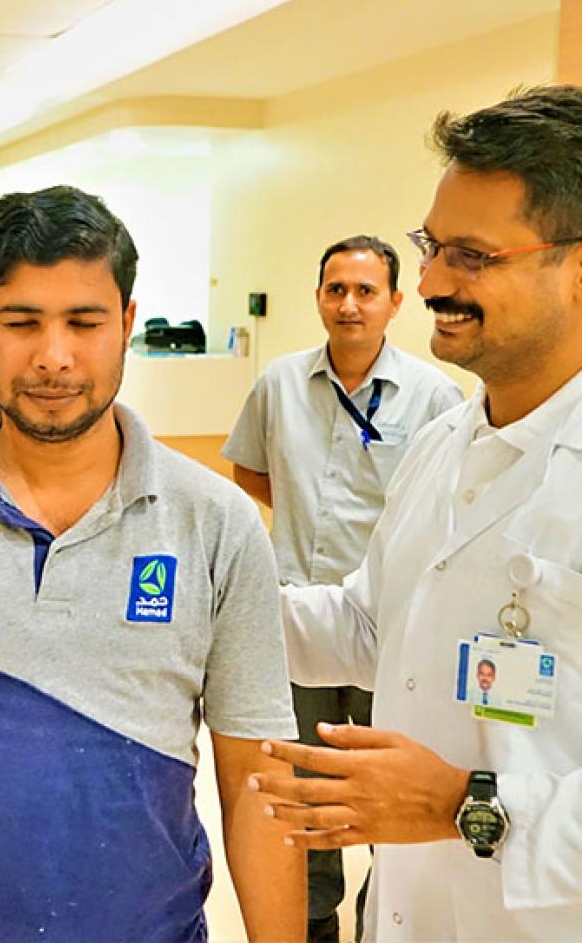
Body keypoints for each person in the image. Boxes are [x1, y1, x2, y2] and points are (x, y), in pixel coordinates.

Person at [0, 185, 306, 942]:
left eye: (84, 322)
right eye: (22, 322)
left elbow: (255, 774)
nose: (53, 357)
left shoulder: (216, 522)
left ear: (128, 325)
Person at [251, 85, 582, 939]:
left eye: (471, 256)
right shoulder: (444, 441)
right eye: (432, 247)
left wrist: (469, 806)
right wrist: (209, 601)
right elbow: (372, 627)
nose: (430, 282)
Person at [223, 234, 462, 940]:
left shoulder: (434, 396)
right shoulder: (279, 385)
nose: (349, 305)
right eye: (335, 289)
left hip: (388, 628)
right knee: (300, 798)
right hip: (293, 620)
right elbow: (250, 472)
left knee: (386, 804)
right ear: (319, 297)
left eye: (365, 291)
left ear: (394, 301)